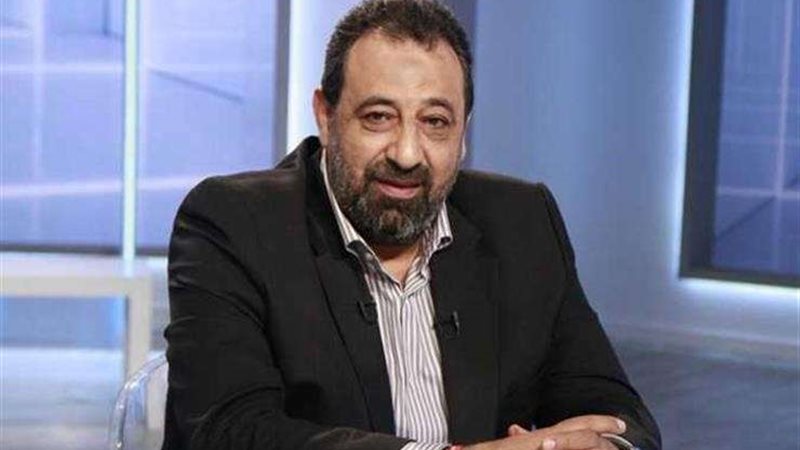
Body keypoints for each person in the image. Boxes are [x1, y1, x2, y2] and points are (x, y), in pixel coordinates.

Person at [162, 1, 661, 449]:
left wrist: (599, 447)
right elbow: (230, 430)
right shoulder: (234, 224)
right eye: (379, 117)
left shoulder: (523, 221)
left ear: (463, 132)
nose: (406, 154)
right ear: (326, 116)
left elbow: (616, 411)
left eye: (435, 122)